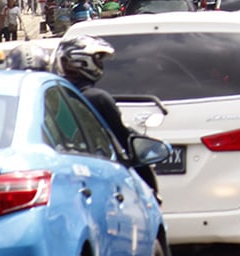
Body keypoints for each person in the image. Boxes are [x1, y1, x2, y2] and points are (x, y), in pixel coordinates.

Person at [51, 34, 160, 197]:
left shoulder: (51, 96)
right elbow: (124, 141)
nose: (101, 64)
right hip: (96, 181)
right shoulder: (96, 99)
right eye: (98, 59)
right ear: (82, 61)